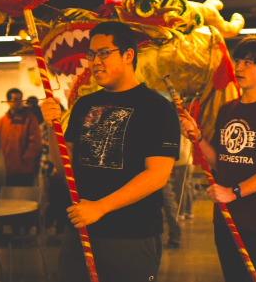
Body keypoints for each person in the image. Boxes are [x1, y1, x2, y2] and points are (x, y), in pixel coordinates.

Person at [40, 21, 180, 282]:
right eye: (91, 55)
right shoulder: (85, 105)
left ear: (128, 55)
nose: (95, 61)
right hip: (80, 231)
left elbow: (157, 175)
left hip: (131, 236)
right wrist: (52, 128)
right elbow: (64, 167)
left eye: (104, 53)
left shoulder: (157, 108)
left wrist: (100, 208)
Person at [179, 37, 256, 282]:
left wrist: (234, 192)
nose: (239, 67)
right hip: (225, 216)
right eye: (237, 61)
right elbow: (220, 162)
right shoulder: (228, 110)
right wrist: (198, 137)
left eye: (248, 63)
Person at [0, 88, 42, 186]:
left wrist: (24, 161)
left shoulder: (30, 119)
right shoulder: (2, 121)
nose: (18, 102)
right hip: (6, 170)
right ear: (8, 101)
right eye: (15, 99)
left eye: (20, 99)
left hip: (24, 171)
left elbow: (35, 144)